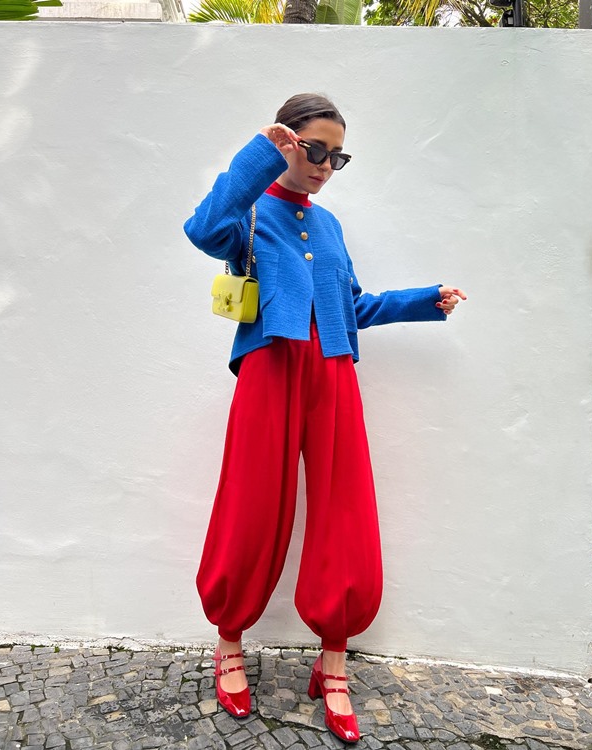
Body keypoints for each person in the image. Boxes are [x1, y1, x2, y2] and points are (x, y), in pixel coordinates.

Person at [183, 93, 466, 743]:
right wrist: (260, 155)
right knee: (251, 505)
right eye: (315, 150)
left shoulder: (331, 226)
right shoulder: (248, 212)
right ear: (287, 142)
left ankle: (332, 664)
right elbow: (202, 229)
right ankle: (230, 645)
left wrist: (427, 301)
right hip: (269, 369)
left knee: (346, 510)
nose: (324, 166)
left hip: (334, 373)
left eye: (336, 156)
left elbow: (355, 306)